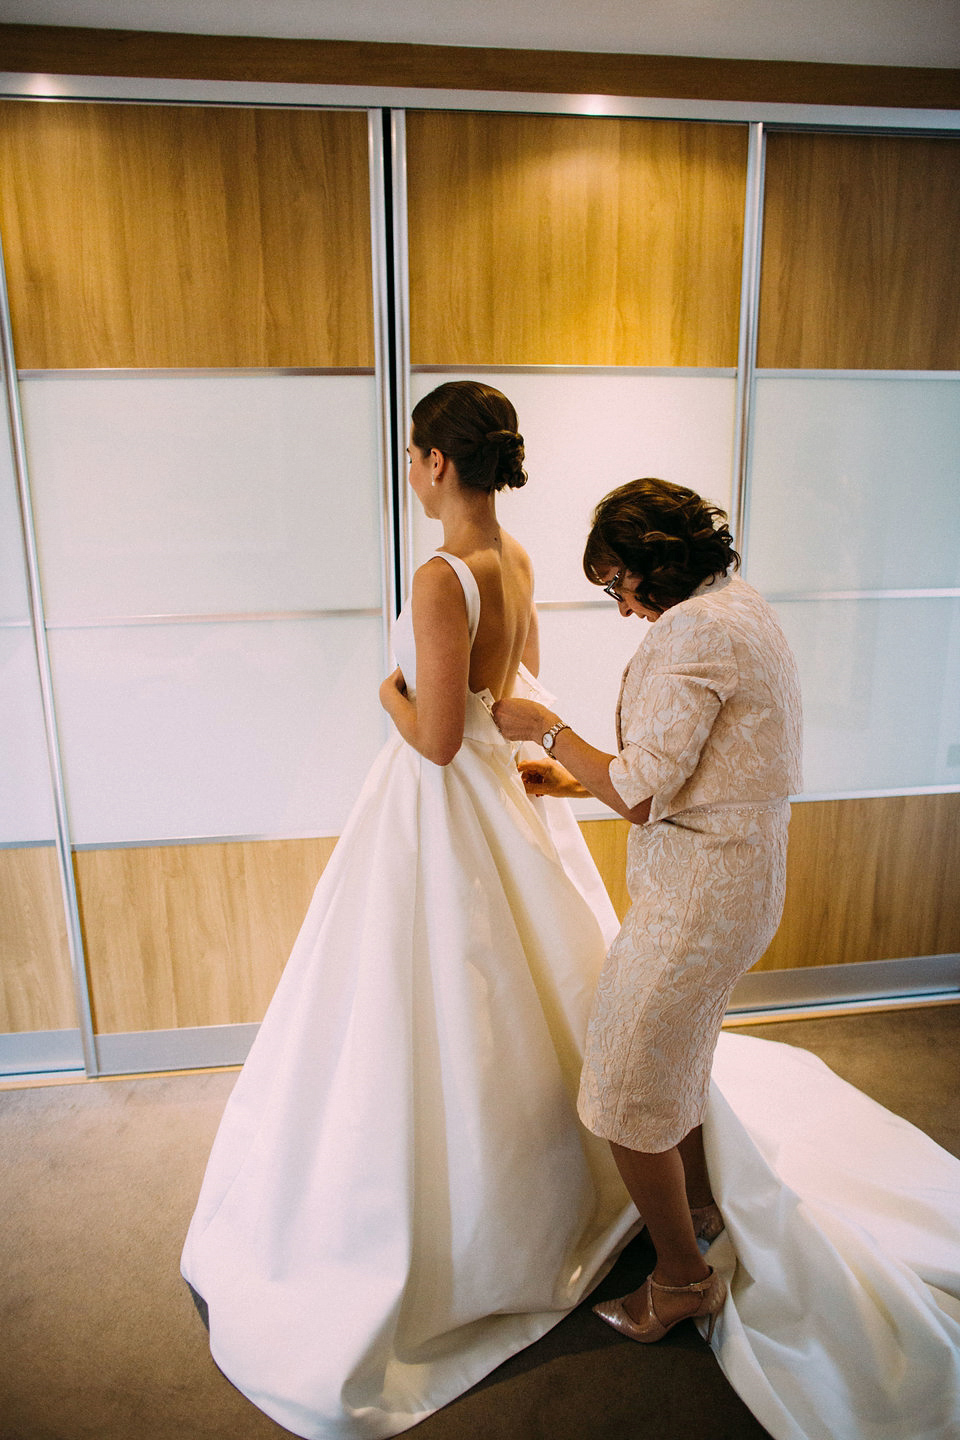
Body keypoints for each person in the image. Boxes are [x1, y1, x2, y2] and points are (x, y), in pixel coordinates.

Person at [180, 382, 637, 1440]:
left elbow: (432, 736)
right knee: (523, 992)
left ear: (436, 462)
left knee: (417, 1003)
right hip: (503, 797)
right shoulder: (515, 560)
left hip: (440, 802)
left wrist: (380, 689)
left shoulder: (441, 575)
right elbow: (514, 688)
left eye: (412, 453)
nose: (408, 468)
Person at [494, 476, 803, 1343]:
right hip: (740, 880)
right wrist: (572, 779)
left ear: (652, 567)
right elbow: (696, 767)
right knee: (676, 1060)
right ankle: (697, 1211)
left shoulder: (694, 629)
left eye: (615, 585)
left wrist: (546, 730)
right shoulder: (738, 604)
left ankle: (680, 1280)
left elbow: (638, 788)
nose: (620, 608)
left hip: (701, 899)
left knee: (624, 1089)